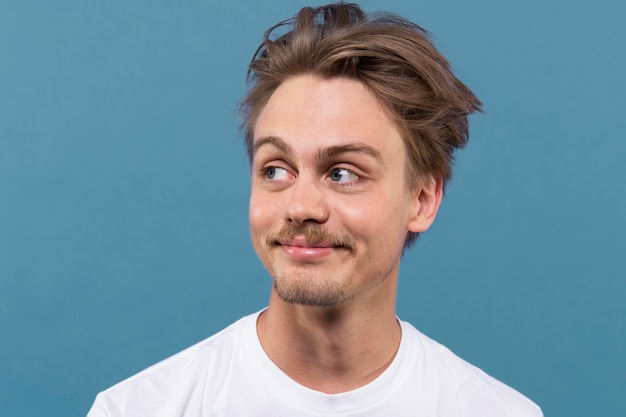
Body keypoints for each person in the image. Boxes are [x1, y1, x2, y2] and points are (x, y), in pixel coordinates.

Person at [88, 3, 542, 416]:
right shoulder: (136, 409)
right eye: (276, 170)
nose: (301, 207)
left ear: (422, 200)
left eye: (343, 173)